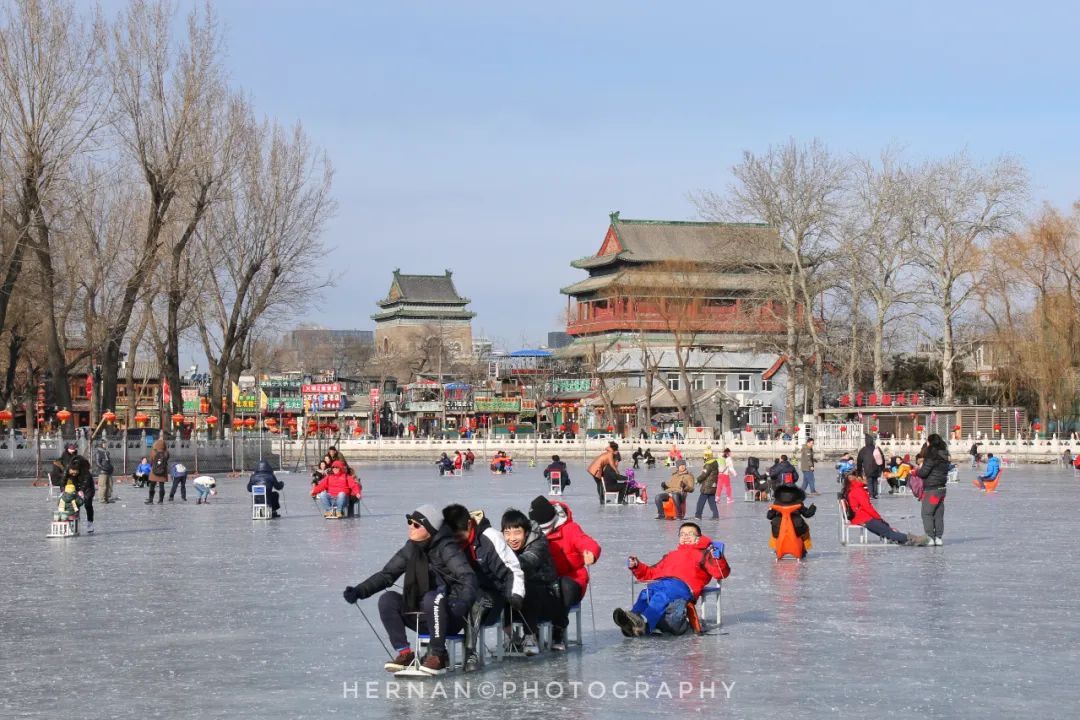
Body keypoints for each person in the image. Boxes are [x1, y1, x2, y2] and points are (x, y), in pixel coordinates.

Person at [343, 504, 478, 675]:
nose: (410, 527)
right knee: (388, 599)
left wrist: (462, 603)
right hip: (422, 615)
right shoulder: (411, 548)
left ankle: (438, 654)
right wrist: (359, 591)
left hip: (450, 615)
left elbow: (468, 577)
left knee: (432, 597)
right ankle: (405, 653)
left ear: (429, 528)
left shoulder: (446, 547)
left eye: (416, 524)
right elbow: (387, 575)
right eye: (409, 522)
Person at [442, 504, 525, 671]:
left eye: (460, 537)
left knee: (476, 600)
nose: (457, 542)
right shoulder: (445, 540)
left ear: (469, 525)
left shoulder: (490, 538)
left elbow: (512, 569)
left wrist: (516, 595)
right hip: (459, 592)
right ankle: (437, 652)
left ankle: (471, 652)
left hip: (492, 595)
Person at [613, 522, 731, 637]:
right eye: (682, 534)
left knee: (661, 596)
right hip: (662, 582)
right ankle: (632, 620)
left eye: (690, 534)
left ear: (698, 538)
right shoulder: (671, 555)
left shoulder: (704, 554)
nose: (685, 536)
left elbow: (721, 573)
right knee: (645, 593)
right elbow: (651, 573)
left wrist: (718, 558)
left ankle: (644, 624)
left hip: (683, 586)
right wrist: (637, 566)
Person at [528, 497, 600, 649]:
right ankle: (530, 631)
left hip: (572, 579)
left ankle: (558, 629)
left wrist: (591, 553)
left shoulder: (570, 528)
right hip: (544, 580)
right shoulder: (532, 531)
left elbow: (586, 542)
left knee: (563, 587)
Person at [501, 509, 567, 656]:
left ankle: (530, 636)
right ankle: (514, 637)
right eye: (507, 533)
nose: (512, 538)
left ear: (526, 532)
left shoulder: (538, 542)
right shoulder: (503, 545)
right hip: (520, 601)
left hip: (548, 599)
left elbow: (528, 561)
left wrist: (500, 563)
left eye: (517, 532)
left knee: (528, 587)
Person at [841, 471, 929, 546]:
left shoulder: (853, 488)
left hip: (861, 517)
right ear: (857, 478)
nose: (866, 478)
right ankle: (914, 539)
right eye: (864, 476)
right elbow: (867, 507)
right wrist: (878, 518)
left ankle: (902, 538)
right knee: (888, 531)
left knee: (885, 528)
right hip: (864, 518)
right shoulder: (858, 490)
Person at [767, 482, 817, 558]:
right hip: (797, 528)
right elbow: (807, 514)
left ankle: (776, 547)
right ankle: (804, 548)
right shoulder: (798, 502)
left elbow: (769, 516)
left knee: (774, 526)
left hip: (778, 528)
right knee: (806, 529)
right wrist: (813, 507)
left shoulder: (776, 502)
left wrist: (771, 510)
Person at [917, 434, 950, 545]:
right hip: (942, 488)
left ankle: (930, 537)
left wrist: (917, 471)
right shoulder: (945, 456)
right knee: (938, 514)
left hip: (932, 490)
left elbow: (923, 473)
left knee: (927, 513)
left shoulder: (932, 457)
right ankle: (939, 538)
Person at [63, 454, 95, 533]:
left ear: (78, 470)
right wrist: (63, 489)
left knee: (88, 505)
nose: (73, 474)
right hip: (75, 487)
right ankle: (75, 523)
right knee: (74, 506)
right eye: (72, 473)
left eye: (75, 472)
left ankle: (90, 523)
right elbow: (63, 480)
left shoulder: (85, 471)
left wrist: (82, 490)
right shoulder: (68, 470)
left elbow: (87, 481)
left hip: (88, 488)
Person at [694, 448, 720, 519]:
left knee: (700, 502)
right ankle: (715, 515)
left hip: (707, 486)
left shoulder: (708, 464)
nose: (703, 457)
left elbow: (704, 475)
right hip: (713, 485)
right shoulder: (715, 463)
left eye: (704, 456)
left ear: (707, 456)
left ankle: (698, 515)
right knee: (712, 501)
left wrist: (697, 480)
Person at [856, 434, 885, 499]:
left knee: (869, 481)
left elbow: (859, 461)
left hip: (868, 468)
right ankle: (875, 494)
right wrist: (882, 468)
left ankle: (871, 494)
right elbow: (882, 458)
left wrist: (859, 472)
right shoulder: (877, 448)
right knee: (875, 480)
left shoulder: (863, 450)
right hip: (877, 468)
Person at [146, 437, 169, 504]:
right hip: (163, 471)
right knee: (162, 486)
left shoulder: (153, 452)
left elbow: (151, 462)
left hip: (154, 471)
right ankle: (160, 501)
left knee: (152, 486)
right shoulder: (166, 453)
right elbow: (166, 459)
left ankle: (151, 500)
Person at [93, 439, 115, 504]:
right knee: (102, 486)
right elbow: (98, 463)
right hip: (102, 472)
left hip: (108, 471)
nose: (105, 444)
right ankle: (102, 499)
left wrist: (111, 467)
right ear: (101, 444)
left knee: (109, 485)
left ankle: (106, 498)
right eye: (104, 443)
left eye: (105, 443)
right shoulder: (98, 452)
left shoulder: (106, 452)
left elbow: (108, 461)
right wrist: (104, 468)